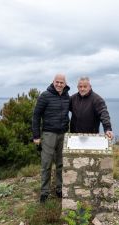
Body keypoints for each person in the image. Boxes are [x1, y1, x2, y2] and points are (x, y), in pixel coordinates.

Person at [32, 74, 70, 203]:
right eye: (57, 82)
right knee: (46, 164)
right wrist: (36, 136)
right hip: (48, 134)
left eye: (61, 82)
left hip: (63, 134)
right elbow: (36, 116)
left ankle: (59, 189)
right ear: (53, 82)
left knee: (60, 163)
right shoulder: (45, 96)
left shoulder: (66, 96)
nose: (59, 84)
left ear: (65, 84)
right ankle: (44, 192)